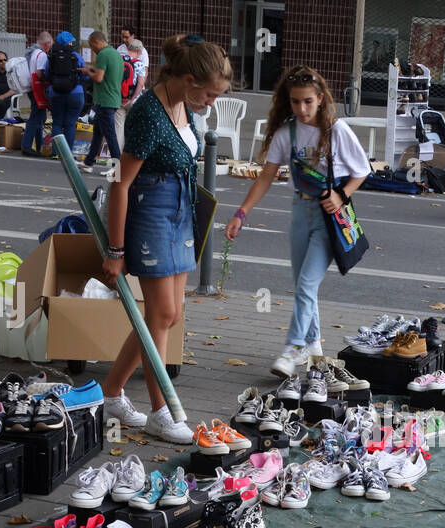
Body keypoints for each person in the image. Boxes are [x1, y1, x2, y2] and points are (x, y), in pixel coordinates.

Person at [100, 36, 232, 442]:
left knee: (169, 315)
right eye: (209, 94)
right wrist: (116, 250)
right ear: (188, 80)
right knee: (159, 315)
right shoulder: (149, 113)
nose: (211, 102)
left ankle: (110, 393)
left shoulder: (180, 104)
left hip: (179, 210)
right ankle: (161, 411)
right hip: (153, 212)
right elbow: (120, 183)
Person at [227, 65, 371, 378]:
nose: (301, 108)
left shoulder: (337, 130)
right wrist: (241, 213)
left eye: (308, 101)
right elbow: (266, 177)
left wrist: (342, 194)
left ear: (320, 99)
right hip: (299, 214)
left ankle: (293, 348)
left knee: (306, 284)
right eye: (295, 102)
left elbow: (362, 170)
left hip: (329, 217)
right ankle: (315, 348)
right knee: (303, 285)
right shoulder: (286, 133)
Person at [80, 31, 123, 174]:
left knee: (110, 135)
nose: (92, 49)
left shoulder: (103, 54)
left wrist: (87, 72)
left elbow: (99, 78)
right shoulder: (115, 54)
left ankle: (117, 166)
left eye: (92, 46)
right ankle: (89, 162)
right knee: (98, 133)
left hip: (104, 100)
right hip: (112, 98)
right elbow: (107, 74)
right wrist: (91, 69)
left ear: (97, 42)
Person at [45, 31, 84, 158]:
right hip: (75, 94)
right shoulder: (76, 56)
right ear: (69, 43)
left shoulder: (52, 57)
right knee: (70, 124)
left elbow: (47, 74)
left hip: (55, 93)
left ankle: (55, 152)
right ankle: (67, 154)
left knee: (57, 123)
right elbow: (84, 75)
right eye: (71, 41)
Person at [22, 31, 54, 157]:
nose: (51, 48)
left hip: (31, 88)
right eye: (51, 45)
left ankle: (39, 144)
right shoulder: (42, 55)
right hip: (37, 89)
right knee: (35, 118)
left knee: (40, 117)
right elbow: (40, 73)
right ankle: (27, 145)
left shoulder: (31, 52)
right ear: (46, 44)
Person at [114, 38, 146, 158]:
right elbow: (141, 83)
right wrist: (132, 99)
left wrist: (120, 98)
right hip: (134, 101)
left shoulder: (118, 61)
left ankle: (117, 157)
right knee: (134, 127)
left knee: (118, 128)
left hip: (119, 100)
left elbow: (114, 81)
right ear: (139, 51)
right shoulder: (139, 64)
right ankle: (131, 157)